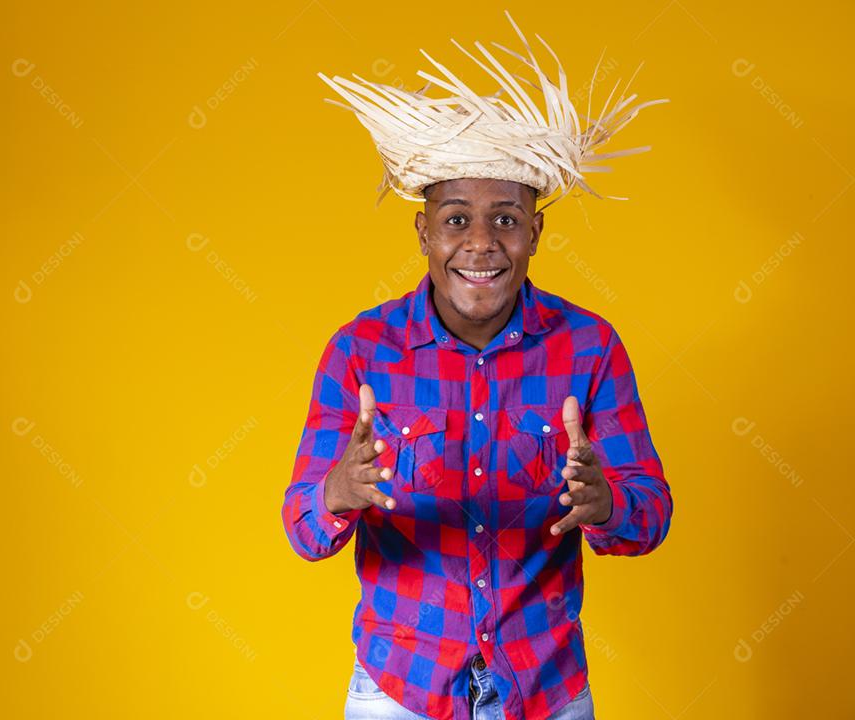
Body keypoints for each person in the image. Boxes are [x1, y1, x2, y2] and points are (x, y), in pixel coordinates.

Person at [282, 12, 672, 720]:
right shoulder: (358, 351)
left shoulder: (590, 346)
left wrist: (607, 504)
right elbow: (301, 528)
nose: (482, 242)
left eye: (507, 219)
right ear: (424, 232)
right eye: (457, 219)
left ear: (536, 232)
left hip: (546, 688)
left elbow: (649, 515)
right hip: (400, 690)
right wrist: (338, 491)